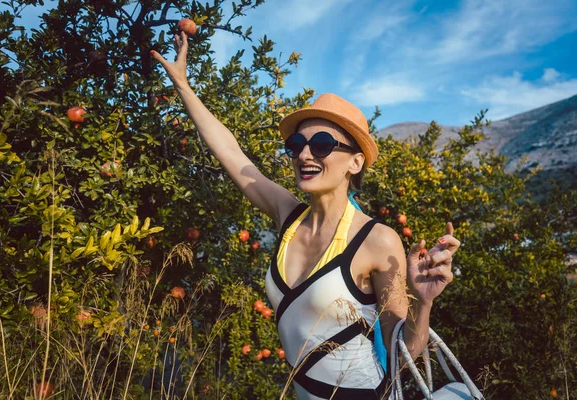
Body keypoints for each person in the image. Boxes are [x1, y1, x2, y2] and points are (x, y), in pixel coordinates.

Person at [151, 32, 458, 399]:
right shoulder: (288, 215)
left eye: (323, 144)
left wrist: (423, 303)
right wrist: (183, 86)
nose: (305, 154)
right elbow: (232, 153)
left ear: (355, 162)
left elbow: (404, 355)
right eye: (297, 145)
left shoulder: (377, 240)